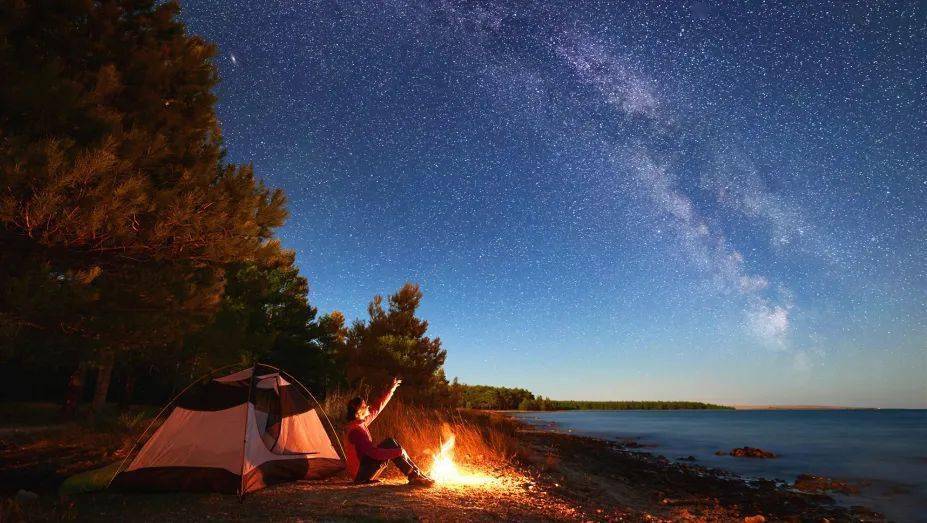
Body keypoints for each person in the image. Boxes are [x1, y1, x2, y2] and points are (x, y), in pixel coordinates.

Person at [344, 377, 435, 486]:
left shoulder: (359, 423)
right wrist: (398, 452)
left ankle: (418, 475)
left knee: (390, 442)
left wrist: (391, 390)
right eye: (364, 406)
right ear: (358, 413)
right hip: (360, 475)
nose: (367, 406)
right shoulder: (356, 431)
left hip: (365, 470)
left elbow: (377, 408)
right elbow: (373, 453)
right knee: (391, 446)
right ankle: (415, 476)